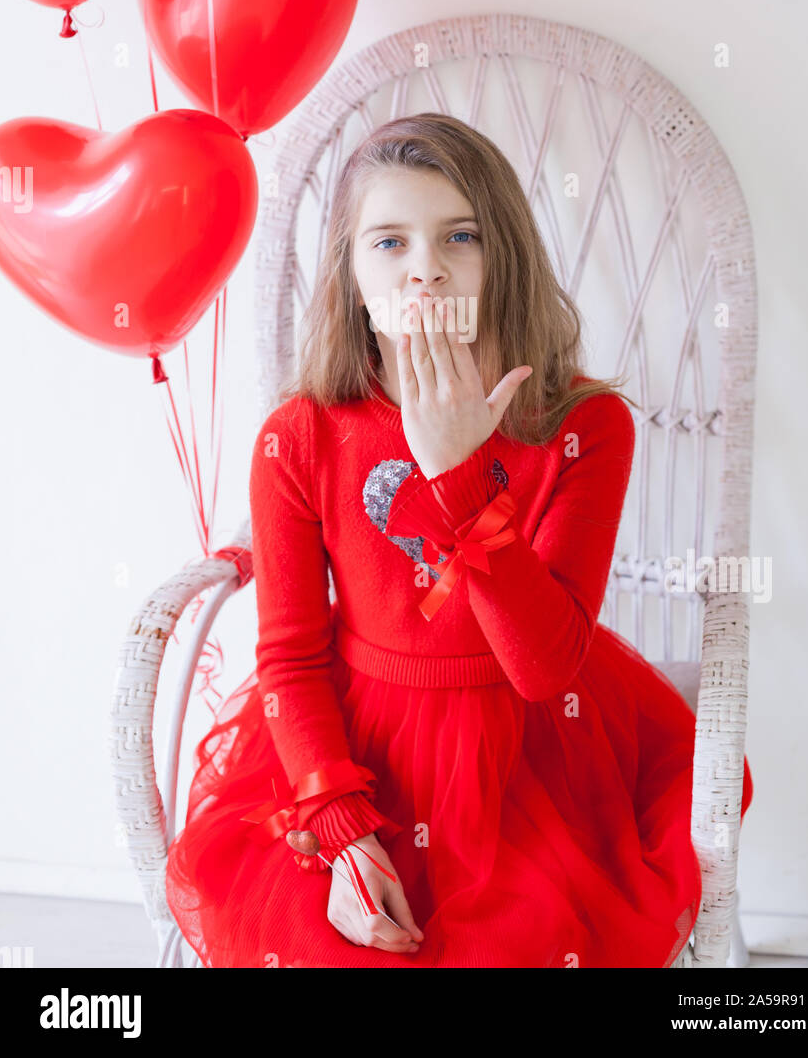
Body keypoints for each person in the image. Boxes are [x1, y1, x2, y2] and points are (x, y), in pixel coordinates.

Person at [165, 112, 753, 968]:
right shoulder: (297, 438)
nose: (427, 268)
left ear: (501, 254)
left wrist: (461, 474)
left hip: (537, 753)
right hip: (353, 754)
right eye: (390, 242)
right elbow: (289, 657)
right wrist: (341, 834)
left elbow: (546, 666)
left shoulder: (585, 424)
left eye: (460, 235)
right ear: (353, 276)